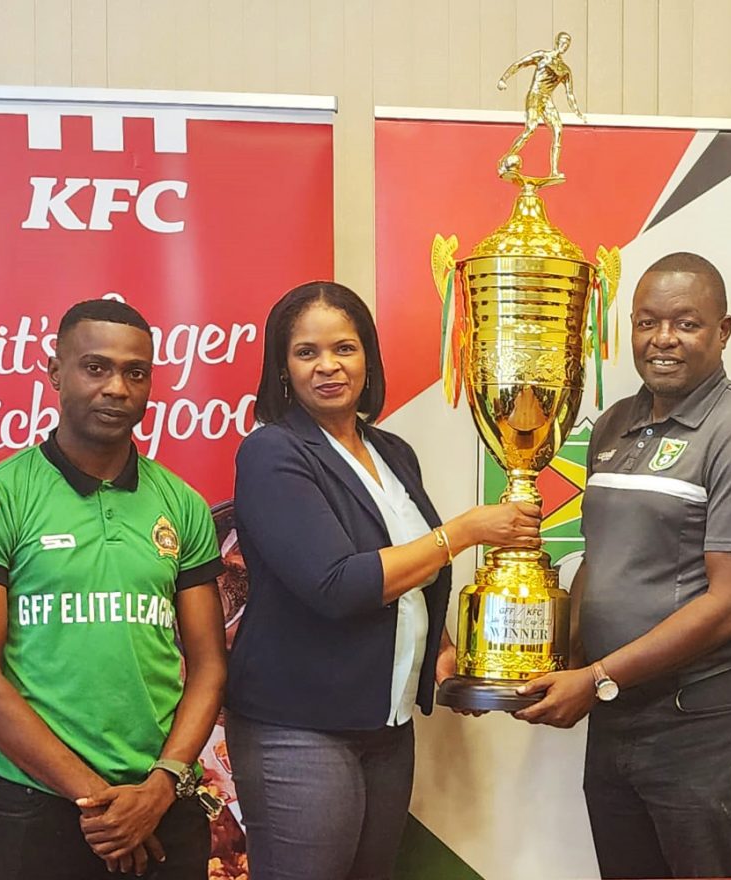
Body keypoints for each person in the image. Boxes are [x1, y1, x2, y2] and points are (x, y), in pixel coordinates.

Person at [224, 282, 541, 880]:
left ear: (367, 356)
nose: (327, 367)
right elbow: (338, 584)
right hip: (300, 726)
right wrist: (466, 530)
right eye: (306, 353)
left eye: (343, 348)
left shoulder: (392, 450)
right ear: (282, 369)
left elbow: (413, 579)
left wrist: (444, 654)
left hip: (388, 723)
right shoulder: (272, 452)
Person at [516, 252, 731, 879]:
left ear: (723, 331)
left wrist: (594, 678)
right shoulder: (614, 424)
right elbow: (601, 558)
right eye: (647, 323)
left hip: (711, 723)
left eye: (686, 324)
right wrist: (555, 660)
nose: (662, 340)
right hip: (620, 713)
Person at [0, 299, 227, 879]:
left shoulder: (184, 505)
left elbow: (210, 667)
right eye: (95, 367)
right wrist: (99, 803)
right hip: (37, 808)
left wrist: (160, 786)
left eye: (135, 372)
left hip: (160, 805)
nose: (117, 387)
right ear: (54, 371)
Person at [496, 30, 586, 179]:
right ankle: (507, 158)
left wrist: (578, 113)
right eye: (563, 42)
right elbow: (520, 64)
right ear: (557, 42)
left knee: (558, 130)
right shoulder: (542, 56)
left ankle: (554, 171)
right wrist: (503, 79)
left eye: (568, 44)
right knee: (531, 129)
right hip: (535, 96)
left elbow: (569, 93)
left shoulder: (565, 70)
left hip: (546, 100)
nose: (565, 46)